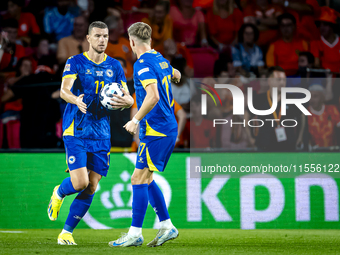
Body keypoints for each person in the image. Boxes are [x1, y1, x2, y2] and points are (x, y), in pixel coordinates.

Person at [47, 21, 134, 245]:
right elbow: (64, 90)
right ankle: (59, 192)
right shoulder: (75, 62)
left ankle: (66, 233)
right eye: (97, 36)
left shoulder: (115, 66)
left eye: (105, 36)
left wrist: (125, 101)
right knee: (79, 183)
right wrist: (76, 100)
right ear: (88, 38)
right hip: (76, 128)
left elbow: (128, 97)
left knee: (92, 185)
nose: (102, 40)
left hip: (102, 131)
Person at [109, 22, 181, 247]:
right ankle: (167, 226)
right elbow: (176, 74)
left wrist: (134, 120)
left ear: (131, 42)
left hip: (156, 130)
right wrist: (171, 76)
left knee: (137, 179)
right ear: (150, 40)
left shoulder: (141, 65)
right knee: (146, 179)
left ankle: (134, 233)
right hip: (166, 128)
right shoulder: (160, 58)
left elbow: (153, 96)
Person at [245, 66, 305, 151]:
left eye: (284, 80)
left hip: (288, 147)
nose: (282, 83)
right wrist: (250, 137)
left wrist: (300, 137)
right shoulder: (260, 99)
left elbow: (302, 116)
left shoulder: (292, 99)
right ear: (270, 81)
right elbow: (246, 116)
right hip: (265, 147)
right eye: (278, 80)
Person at [308, 84, 340, 148]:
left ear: (322, 97)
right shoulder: (305, 113)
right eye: (310, 96)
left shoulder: (332, 109)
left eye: (315, 96)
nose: (312, 99)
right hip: (314, 152)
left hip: (332, 150)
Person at [310, 7, 340, 73]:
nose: (322, 27)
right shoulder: (316, 42)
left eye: (325, 24)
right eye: (320, 24)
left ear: (333, 26)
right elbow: (316, 64)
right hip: (324, 79)